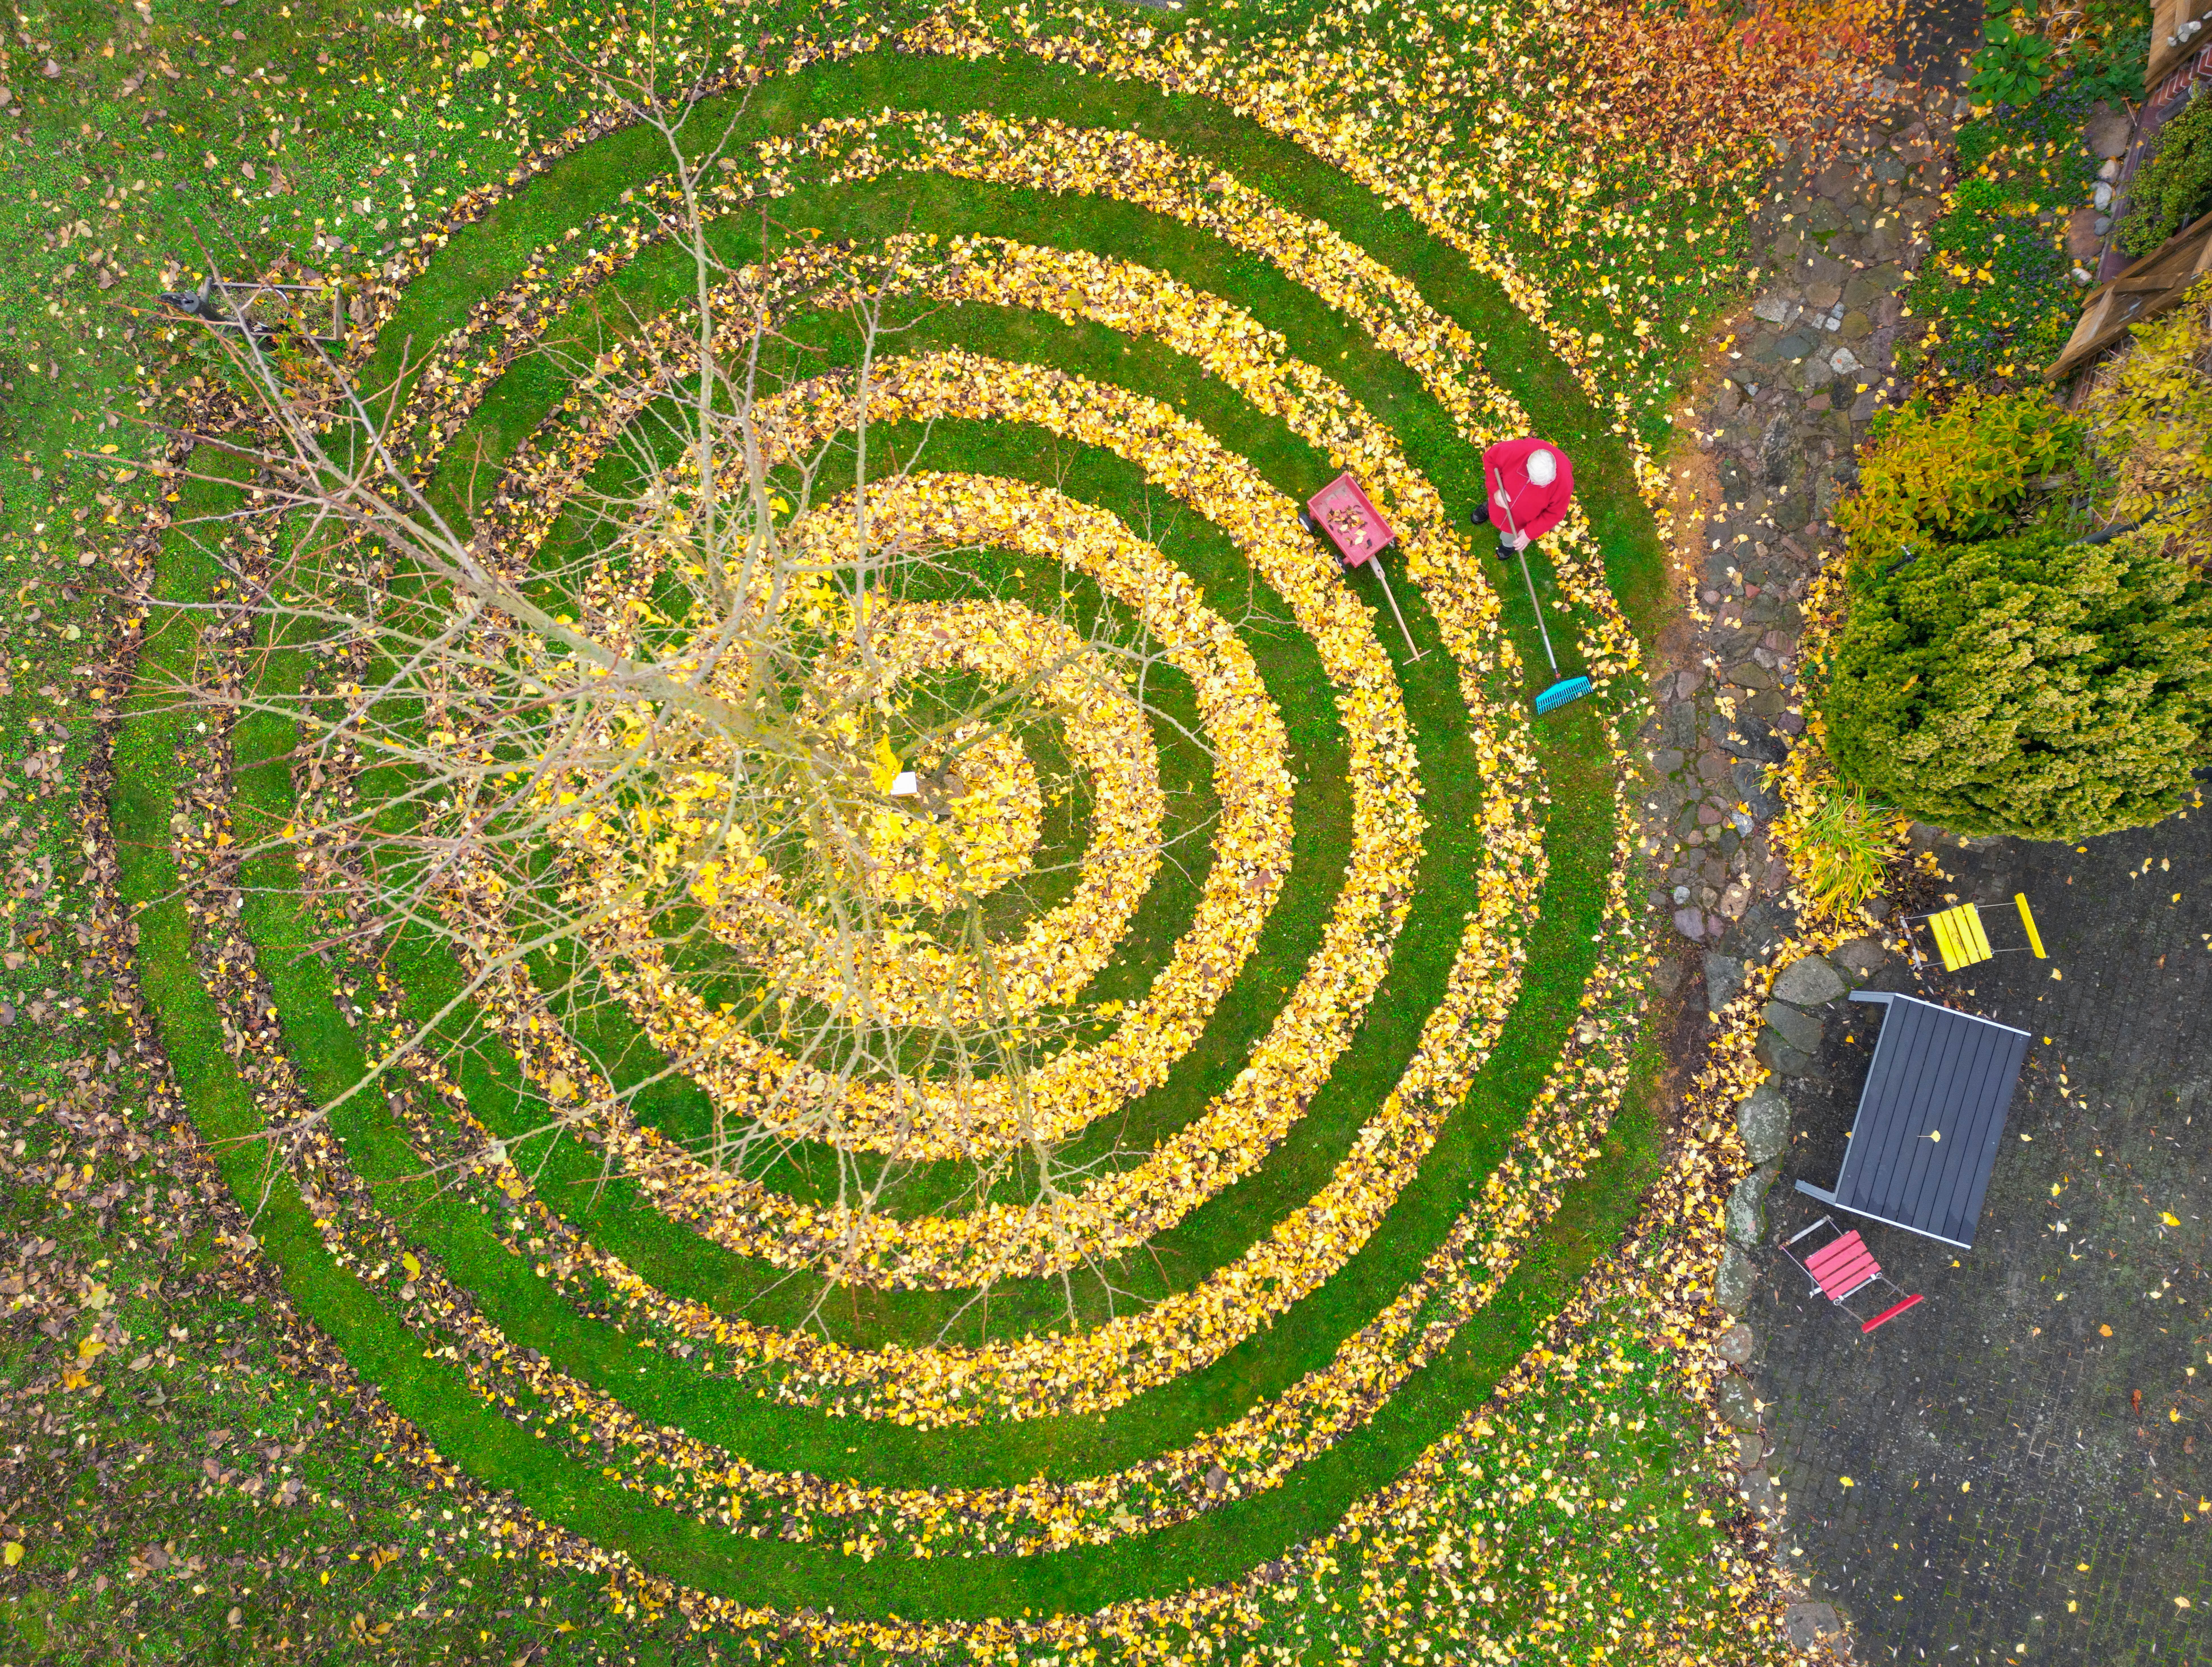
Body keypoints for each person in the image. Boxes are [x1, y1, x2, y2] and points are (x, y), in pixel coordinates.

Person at [1470, 437, 1574, 558]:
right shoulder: (1518, 450)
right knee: (1494, 502)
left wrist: (1529, 534)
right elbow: (1491, 459)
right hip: (1497, 501)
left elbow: (1555, 514)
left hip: (1519, 524)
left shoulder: (1564, 482)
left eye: (1544, 484)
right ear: (1528, 465)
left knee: (1510, 537)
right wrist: (1496, 490)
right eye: (1534, 481)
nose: (1536, 486)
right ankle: (1489, 508)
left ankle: (1508, 545)